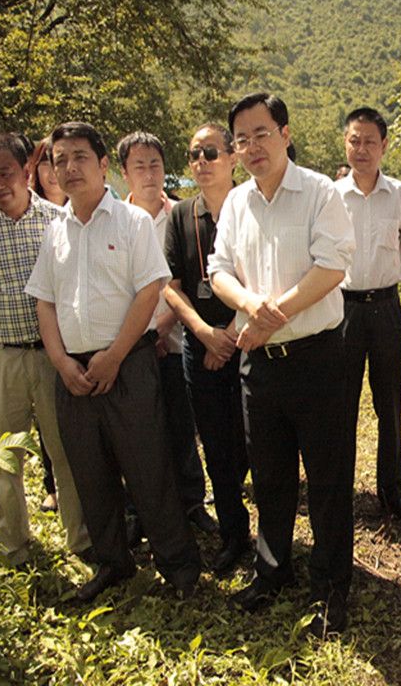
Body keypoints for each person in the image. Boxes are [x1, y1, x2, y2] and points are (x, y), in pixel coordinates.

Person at [25, 121, 200, 602]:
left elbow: (149, 290)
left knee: (148, 467)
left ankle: (178, 566)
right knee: (90, 472)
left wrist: (115, 355)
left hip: (128, 364)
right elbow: (44, 301)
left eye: (80, 157)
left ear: (103, 165)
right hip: (73, 373)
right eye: (60, 160)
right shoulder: (55, 229)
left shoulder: (131, 222)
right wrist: (61, 363)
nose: (69, 168)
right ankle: (113, 562)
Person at [208, 92, 355, 636]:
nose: (251, 147)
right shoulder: (236, 203)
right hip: (261, 367)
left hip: (318, 359)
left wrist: (274, 315)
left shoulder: (319, 192)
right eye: (241, 139)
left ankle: (330, 588)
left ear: (285, 134)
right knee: (269, 476)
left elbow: (332, 266)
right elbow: (219, 270)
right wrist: (251, 306)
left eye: (261, 134)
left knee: (329, 479)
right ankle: (271, 571)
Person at [0, 132, 91, 564]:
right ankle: (14, 546)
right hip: (0, 358)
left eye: (5, 172)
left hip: (53, 356)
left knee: (65, 451)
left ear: (27, 171)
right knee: (4, 457)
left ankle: (81, 539)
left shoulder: (57, 220)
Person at [164, 122, 251, 574]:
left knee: (251, 443)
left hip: (249, 340)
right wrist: (203, 333)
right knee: (215, 445)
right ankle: (234, 534)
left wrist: (230, 335)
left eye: (211, 153)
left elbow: (264, 276)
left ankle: (270, 535)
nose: (202, 162)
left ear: (233, 158)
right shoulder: (181, 214)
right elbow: (171, 286)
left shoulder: (252, 205)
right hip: (200, 346)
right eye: (194, 154)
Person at [117, 132, 214, 537]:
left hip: (174, 343)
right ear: (123, 173)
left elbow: (184, 281)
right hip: (129, 346)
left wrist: (161, 328)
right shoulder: (115, 221)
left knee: (181, 426)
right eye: (138, 166)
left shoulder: (182, 216)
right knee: (137, 433)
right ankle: (140, 509)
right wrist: (139, 335)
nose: (148, 173)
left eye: (155, 164)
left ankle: (192, 501)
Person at [335, 107, 401, 522]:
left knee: (389, 404)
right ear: (345, 143)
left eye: (370, 141)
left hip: (386, 308)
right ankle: (340, 490)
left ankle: (392, 492)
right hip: (343, 311)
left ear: (384, 145)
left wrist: (382, 280)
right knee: (342, 405)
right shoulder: (331, 196)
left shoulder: (400, 195)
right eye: (355, 140)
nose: (362, 149)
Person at [26, 140, 63, 512]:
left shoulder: (95, 205)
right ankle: (52, 484)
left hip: (86, 334)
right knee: (48, 417)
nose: (55, 172)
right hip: (43, 335)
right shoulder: (34, 215)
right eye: (47, 164)